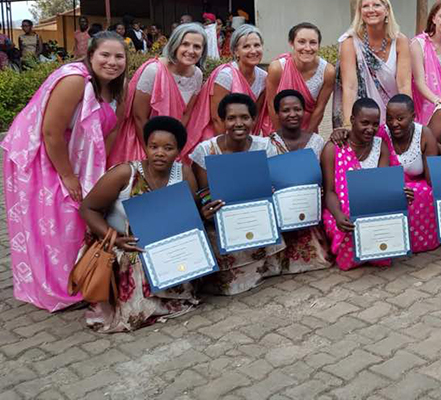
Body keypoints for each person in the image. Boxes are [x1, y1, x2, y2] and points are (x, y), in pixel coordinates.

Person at [1, 31, 126, 311]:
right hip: (41, 153)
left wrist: (99, 170)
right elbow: (50, 132)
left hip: (76, 152)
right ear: (90, 55)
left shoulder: (118, 86)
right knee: (59, 213)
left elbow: (113, 127)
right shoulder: (74, 81)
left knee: (79, 211)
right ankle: (56, 286)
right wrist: (68, 176)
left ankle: (79, 275)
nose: (112, 62)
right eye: (104, 55)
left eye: (119, 56)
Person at [78, 117, 202, 332]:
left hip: (161, 239)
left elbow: (190, 211)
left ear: (179, 151)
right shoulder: (125, 173)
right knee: (136, 258)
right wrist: (115, 238)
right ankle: (141, 305)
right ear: (145, 147)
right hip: (122, 242)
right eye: (153, 146)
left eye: (168, 148)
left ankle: (171, 297)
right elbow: (88, 208)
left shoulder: (183, 173)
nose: (159, 153)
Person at [189, 93, 284, 295]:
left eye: (244, 117)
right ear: (222, 121)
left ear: (253, 119)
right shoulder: (206, 150)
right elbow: (204, 193)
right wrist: (208, 210)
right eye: (231, 118)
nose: (238, 123)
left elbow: (272, 183)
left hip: (255, 216)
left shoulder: (264, 147)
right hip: (222, 220)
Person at [109, 23, 207, 165]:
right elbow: (139, 117)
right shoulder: (154, 70)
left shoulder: (197, 75)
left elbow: (185, 114)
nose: (190, 51)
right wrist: (152, 152)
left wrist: (174, 146)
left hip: (171, 144)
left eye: (197, 47)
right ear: (175, 45)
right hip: (142, 141)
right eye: (185, 44)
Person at [266, 89, 333, 273]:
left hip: (311, 207)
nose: (292, 114)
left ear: (304, 111)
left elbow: (325, 177)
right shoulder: (269, 144)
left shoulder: (317, 142)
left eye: (297, 109)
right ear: (278, 114)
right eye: (286, 110)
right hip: (281, 212)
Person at [322, 98, 393, 270]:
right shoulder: (333, 149)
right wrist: (338, 215)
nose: (370, 129)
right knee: (347, 217)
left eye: (375, 124)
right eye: (365, 123)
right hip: (340, 212)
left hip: (372, 207)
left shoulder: (380, 146)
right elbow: (329, 191)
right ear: (352, 120)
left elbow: (381, 186)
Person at [182, 24, 267, 160]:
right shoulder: (226, 76)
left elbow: (254, 116)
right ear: (236, 52)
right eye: (246, 47)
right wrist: (226, 150)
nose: (253, 50)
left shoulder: (264, 77)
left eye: (257, 45)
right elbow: (217, 118)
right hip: (216, 137)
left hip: (242, 135)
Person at [333, 0, 411, 128]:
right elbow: (350, 87)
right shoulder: (350, 42)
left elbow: (404, 84)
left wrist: (407, 119)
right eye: (365, 6)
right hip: (364, 118)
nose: (371, 10)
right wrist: (348, 125)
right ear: (360, 12)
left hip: (393, 116)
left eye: (376, 5)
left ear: (387, 10)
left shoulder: (400, 41)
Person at [378, 94, 440, 253]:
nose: (394, 124)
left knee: (425, 193)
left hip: (418, 187)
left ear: (413, 116)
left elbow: (432, 177)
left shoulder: (424, 134)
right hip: (388, 185)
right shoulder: (380, 134)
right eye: (389, 118)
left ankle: (418, 242)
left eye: (400, 118)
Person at [258, 22, 335, 134]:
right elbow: (271, 104)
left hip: (308, 127)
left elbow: (320, 108)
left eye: (313, 43)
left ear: (319, 45)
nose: (307, 48)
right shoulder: (277, 68)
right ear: (291, 43)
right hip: (277, 127)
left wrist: (307, 137)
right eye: (301, 42)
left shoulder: (327, 71)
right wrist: (281, 136)